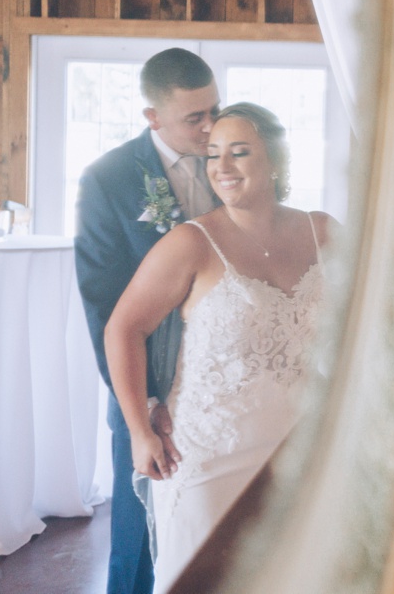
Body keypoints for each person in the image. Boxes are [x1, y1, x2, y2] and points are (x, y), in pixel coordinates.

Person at [105, 103, 333, 592]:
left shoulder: (324, 232)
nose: (221, 168)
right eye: (212, 155)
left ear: (275, 160)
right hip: (209, 459)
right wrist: (140, 428)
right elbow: (124, 328)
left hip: (300, 453)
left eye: (239, 153)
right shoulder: (193, 242)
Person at [74, 47, 220, 594]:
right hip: (146, 377)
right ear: (152, 117)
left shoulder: (231, 155)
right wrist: (144, 410)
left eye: (214, 110)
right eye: (194, 118)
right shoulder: (107, 180)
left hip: (220, 374)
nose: (210, 128)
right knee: (139, 532)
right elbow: (104, 308)